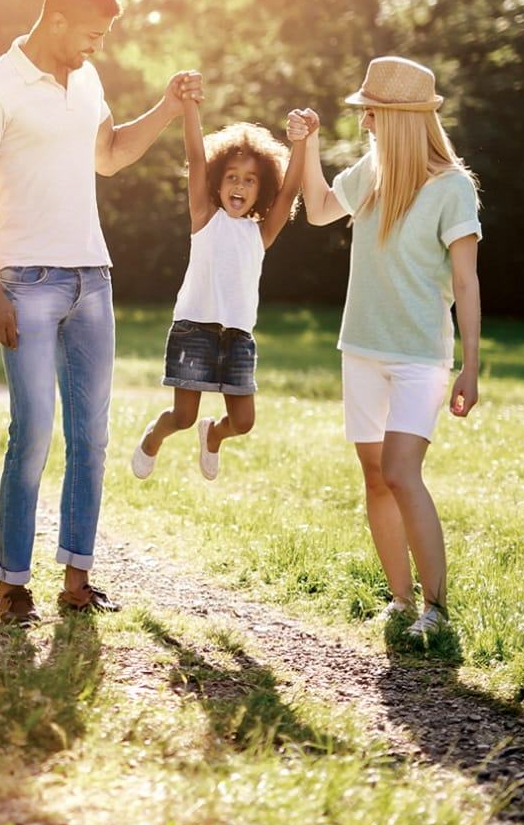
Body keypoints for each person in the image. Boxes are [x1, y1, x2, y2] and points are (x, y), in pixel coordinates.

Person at [0, 0, 202, 627]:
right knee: (33, 433)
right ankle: (12, 586)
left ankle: (77, 580)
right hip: (25, 283)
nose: (96, 48)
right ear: (57, 20)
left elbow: (112, 155)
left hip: (93, 279)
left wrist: (170, 108)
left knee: (90, 436)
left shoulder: (86, 80)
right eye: (91, 34)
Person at [294, 56, 481, 642]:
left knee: (402, 473)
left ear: (399, 117)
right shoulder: (371, 171)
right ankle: (400, 602)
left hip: (420, 355)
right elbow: (321, 210)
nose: (365, 121)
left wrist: (470, 366)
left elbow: (468, 283)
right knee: (375, 477)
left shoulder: (452, 188)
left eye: (371, 111)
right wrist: (308, 147)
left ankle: (436, 608)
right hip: (362, 349)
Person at [129, 92, 303, 482]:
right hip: (194, 329)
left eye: (250, 181)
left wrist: (303, 142)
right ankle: (154, 438)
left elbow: (291, 192)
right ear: (218, 182)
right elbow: (194, 158)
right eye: (232, 177)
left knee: (243, 422)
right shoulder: (205, 217)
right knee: (183, 417)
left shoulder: (261, 233)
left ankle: (215, 434)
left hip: (239, 337)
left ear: (262, 189)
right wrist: (190, 106)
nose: (239, 186)